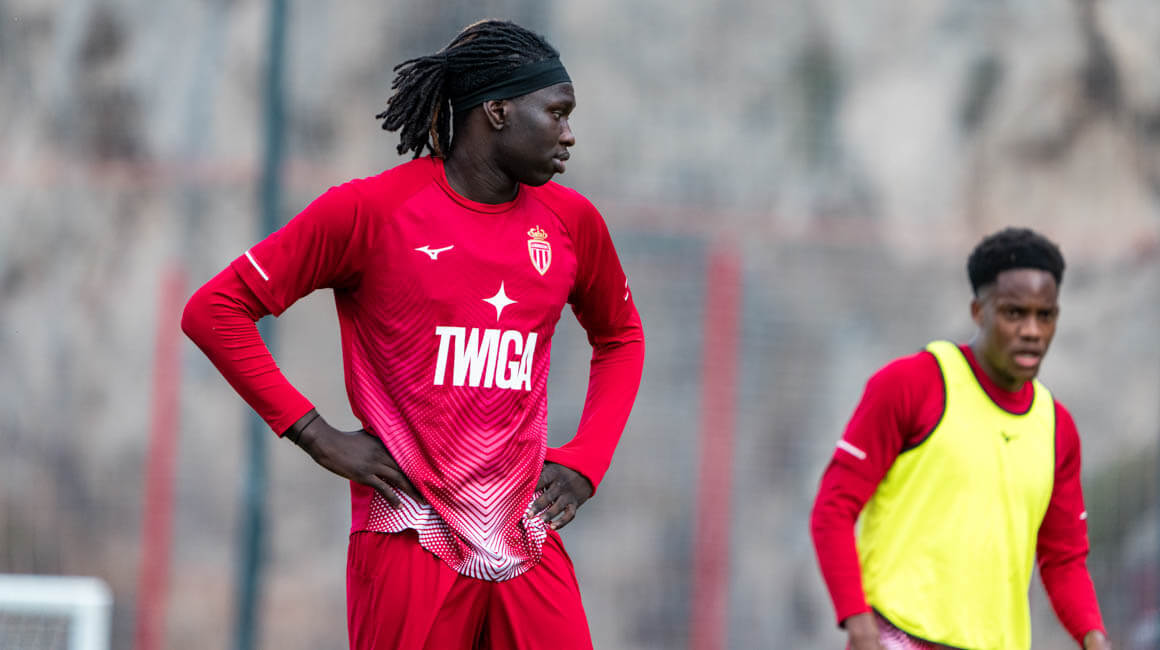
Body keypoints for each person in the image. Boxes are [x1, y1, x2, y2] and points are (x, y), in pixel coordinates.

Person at [182, 19, 644, 649]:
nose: (569, 134)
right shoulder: (369, 211)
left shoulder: (572, 222)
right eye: (557, 113)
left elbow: (621, 337)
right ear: (498, 112)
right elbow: (214, 310)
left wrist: (586, 460)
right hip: (408, 530)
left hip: (525, 535)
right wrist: (316, 435)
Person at [809, 227, 1110, 650]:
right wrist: (857, 621)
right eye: (1014, 313)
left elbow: (1064, 560)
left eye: (1045, 316)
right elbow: (833, 508)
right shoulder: (911, 384)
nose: (1032, 331)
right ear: (978, 311)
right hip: (896, 638)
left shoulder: (1058, 429)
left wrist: (1094, 638)